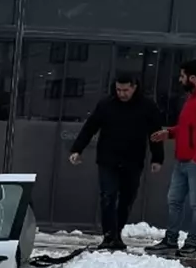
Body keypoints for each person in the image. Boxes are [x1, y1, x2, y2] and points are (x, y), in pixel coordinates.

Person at [68, 73, 164, 251]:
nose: (122, 94)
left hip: (133, 160)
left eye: (125, 90)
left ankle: (117, 232)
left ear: (134, 87)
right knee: (108, 196)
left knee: (126, 199)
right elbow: (90, 127)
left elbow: (155, 133)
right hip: (108, 159)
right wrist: (77, 149)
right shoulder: (106, 105)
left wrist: (157, 158)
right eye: (119, 90)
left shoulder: (147, 106)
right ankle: (108, 235)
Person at [146, 60, 196, 259]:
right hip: (184, 159)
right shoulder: (194, 96)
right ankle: (171, 239)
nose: (180, 80)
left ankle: (192, 243)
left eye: (182, 76)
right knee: (174, 200)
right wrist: (170, 133)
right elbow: (190, 128)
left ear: (193, 78)